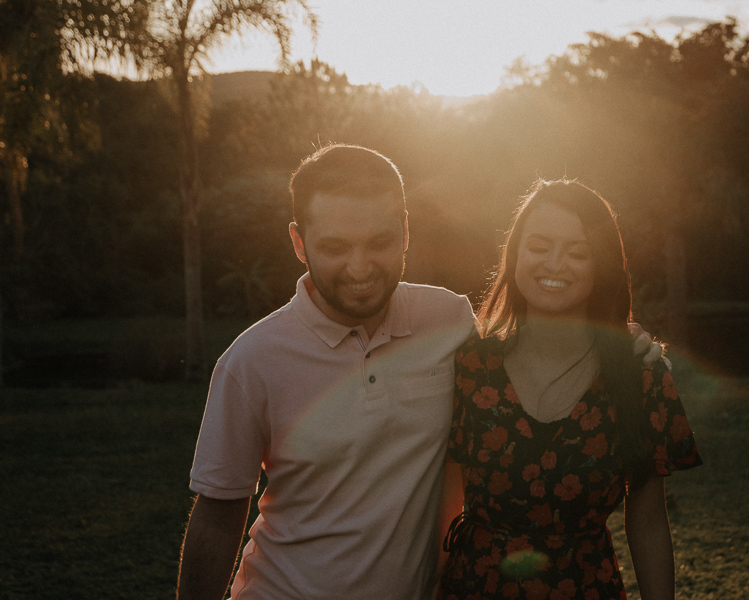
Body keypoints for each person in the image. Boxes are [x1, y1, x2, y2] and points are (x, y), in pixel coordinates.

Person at [177, 144, 664, 600]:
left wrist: (619, 340)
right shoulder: (251, 361)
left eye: (380, 242)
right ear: (298, 242)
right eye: (335, 246)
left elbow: (534, 350)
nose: (360, 266)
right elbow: (218, 519)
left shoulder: (448, 321)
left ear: (406, 232)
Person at [439, 179, 702, 600]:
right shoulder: (470, 364)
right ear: (516, 254)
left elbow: (649, 523)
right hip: (475, 587)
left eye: (578, 252)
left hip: (585, 588)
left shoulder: (640, 376)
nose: (555, 264)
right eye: (540, 246)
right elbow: (447, 505)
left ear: (602, 266)